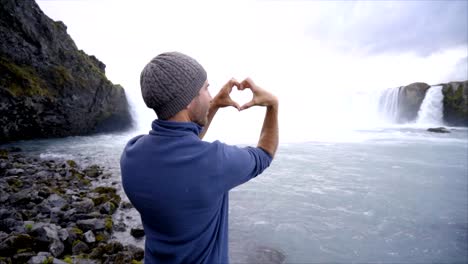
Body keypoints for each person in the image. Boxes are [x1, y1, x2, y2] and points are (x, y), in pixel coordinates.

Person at [120, 51, 279, 264]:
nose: (211, 96)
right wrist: (272, 105)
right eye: (206, 88)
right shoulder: (216, 161)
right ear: (187, 101)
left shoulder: (131, 155)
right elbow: (264, 154)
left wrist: (211, 108)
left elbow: (182, 143)